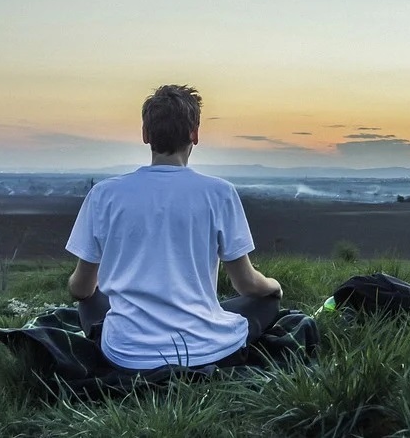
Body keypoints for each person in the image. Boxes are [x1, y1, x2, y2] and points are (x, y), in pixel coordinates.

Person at [66, 84, 282, 371]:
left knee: (91, 299)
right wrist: (274, 286)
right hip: (206, 350)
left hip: (126, 355)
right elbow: (246, 285)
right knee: (266, 302)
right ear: (195, 133)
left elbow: (80, 289)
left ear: (145, 134)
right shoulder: (220, 193)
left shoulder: (104, 195)